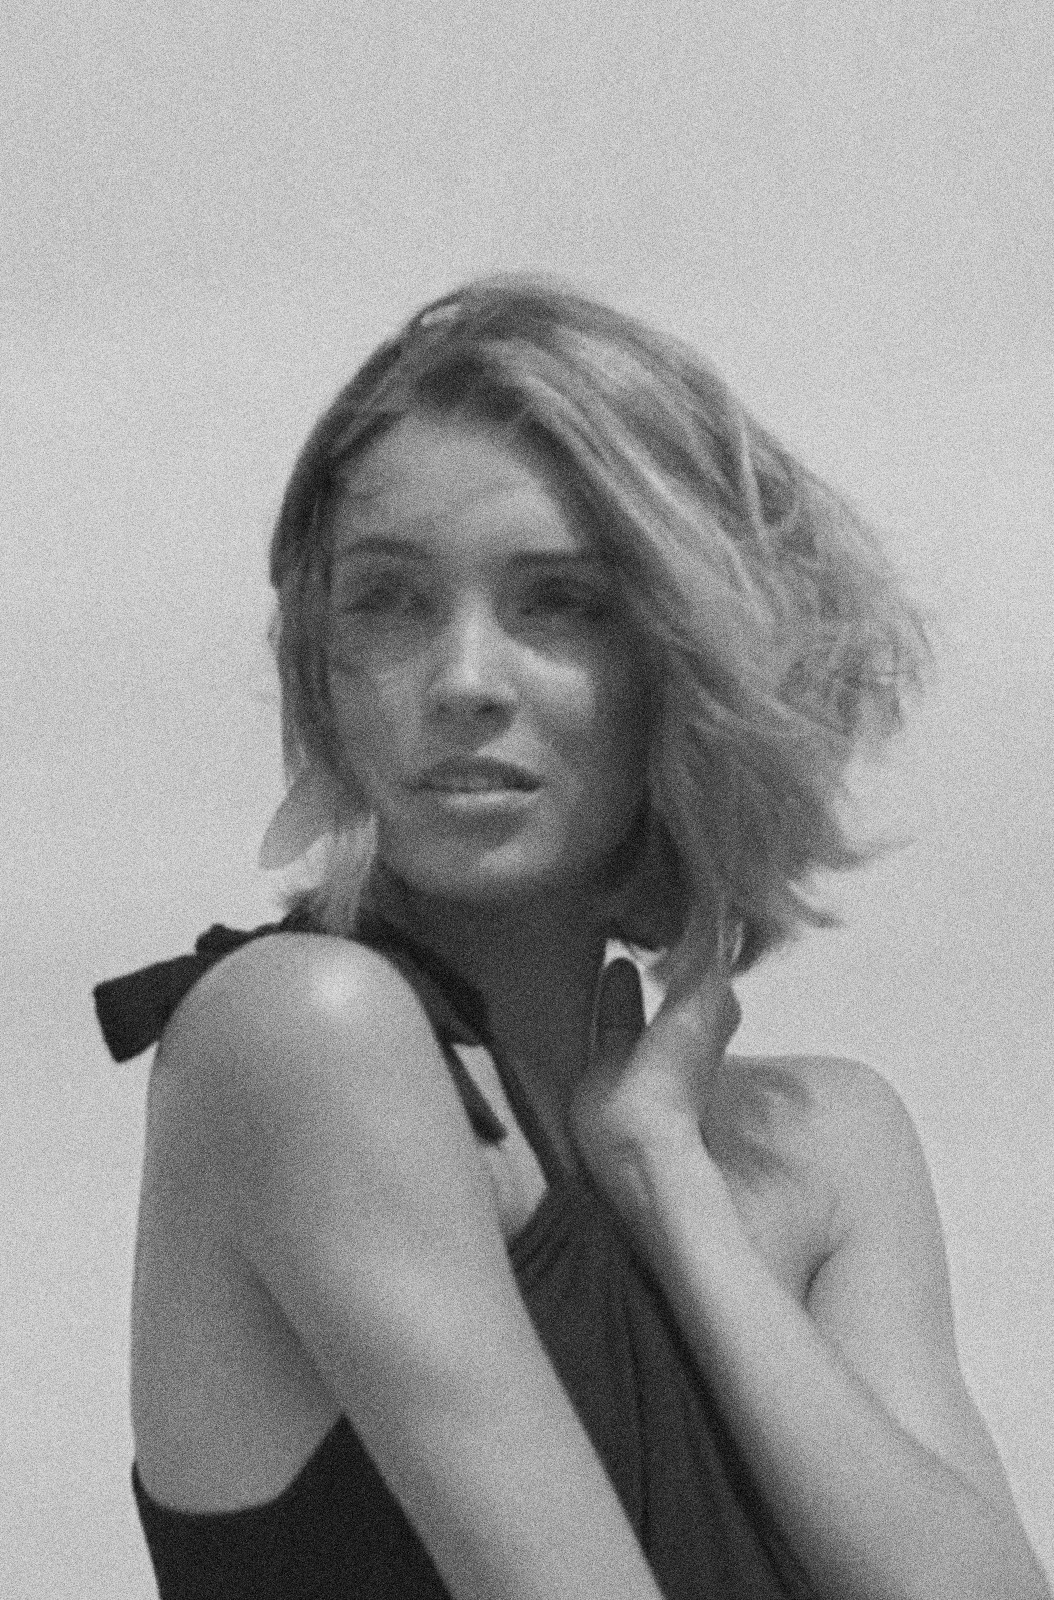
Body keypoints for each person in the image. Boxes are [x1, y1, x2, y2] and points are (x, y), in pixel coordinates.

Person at [95, 278, 1049, 1600]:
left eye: (559, 603)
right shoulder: (301, 1035)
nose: (463, 681)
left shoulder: (824, 1149)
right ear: (317, 668)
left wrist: (666, 1179)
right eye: (388, 602)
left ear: (691, 662)